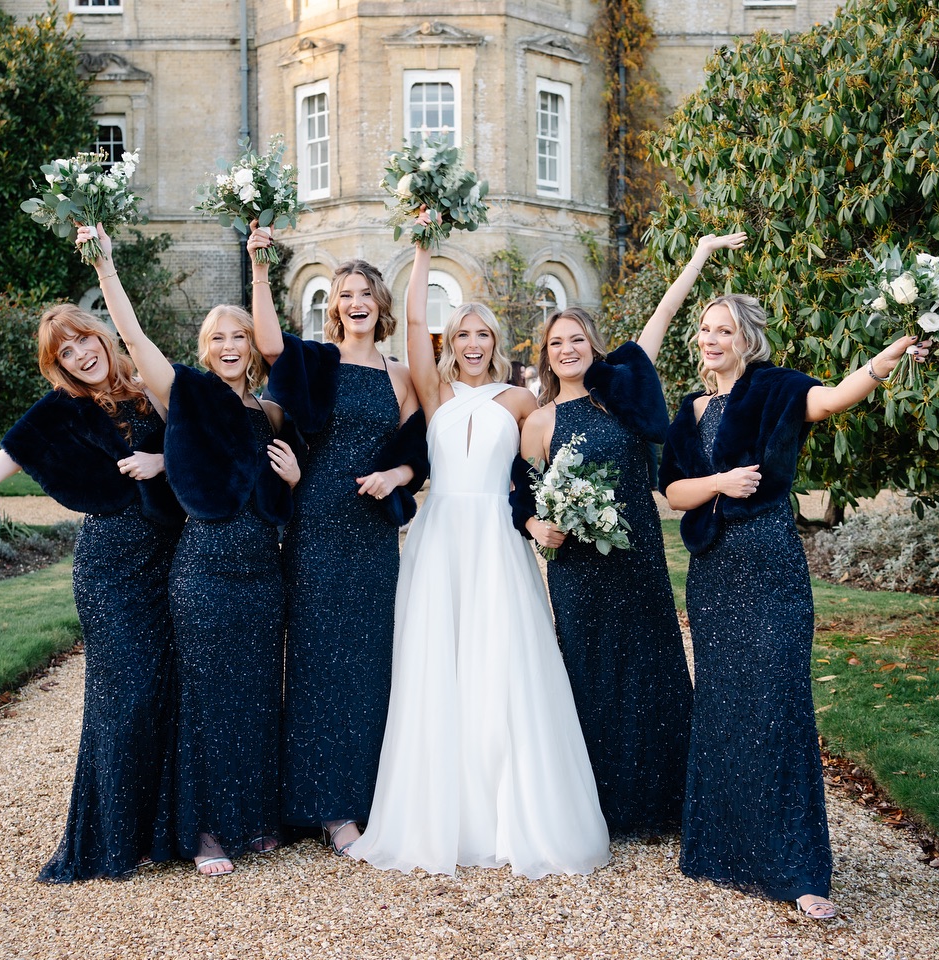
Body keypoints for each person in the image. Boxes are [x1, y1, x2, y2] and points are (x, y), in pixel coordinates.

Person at [0, 301, 185, 883]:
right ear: (58, 366)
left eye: (82, 342)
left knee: (166, 689)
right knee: (126, 696)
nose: (80, 356)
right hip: (111, 569)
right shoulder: (58, 413)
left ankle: (160, 831)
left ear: (101, 336)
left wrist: (162, 459)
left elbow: (209, 446)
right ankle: (111, 838)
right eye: (64, 353)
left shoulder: (150, 386)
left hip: (168, 559)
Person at [348, 214, 610, 877]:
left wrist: (562, 514)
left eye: (481, 333)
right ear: (451, 341)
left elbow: (538, 473)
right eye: (461, 332)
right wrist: (420, 252)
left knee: (502, 663)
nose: (470, 342)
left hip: (495, 537)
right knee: (436, 662)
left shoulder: (522, 399)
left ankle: (509, 812)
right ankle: (440, 814)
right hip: (440, 538)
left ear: (496, 341)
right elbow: (410, 329)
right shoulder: (433, 393)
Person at [660, 293, 930, 919]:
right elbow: (674, 491)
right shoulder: (691, 408)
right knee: (726, 706)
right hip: (714, 575)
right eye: (704, 330)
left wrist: (887, 357)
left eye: (723, 330)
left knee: (779, 704)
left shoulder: (776, 389)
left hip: (770, 565)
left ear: (746, 338)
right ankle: (723, 852)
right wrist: (720, 484)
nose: (710, 339)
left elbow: (833, 397)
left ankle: (800, 870)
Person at [78, 223, 300, 876]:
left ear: (252, 350)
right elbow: (136, 338)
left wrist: (291, 480)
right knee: (203, 700)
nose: (230, 345)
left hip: (263, 572)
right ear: (205, 350)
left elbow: (281, 497)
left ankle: (253, 819)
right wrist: (105, 267)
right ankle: (204, 832)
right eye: (218, 337)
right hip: (203, 572)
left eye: (240, 336)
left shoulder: (272, 414)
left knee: (258, 696)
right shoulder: (187, 401)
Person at [516, 233, 746, 836]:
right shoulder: (539, 423)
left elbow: (662, 319)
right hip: (579, 573)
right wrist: (541, 524)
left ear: (593, 347)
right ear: (545, 355)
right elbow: (521, 494)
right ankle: (601, 807)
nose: (567, 349)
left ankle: (668, 803)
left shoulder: (622, 394)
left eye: (577, 340)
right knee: (590, 677)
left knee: (654, 670)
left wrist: (698, 255)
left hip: (638, 558)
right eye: (555, 343)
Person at [247, 226, 428, 856]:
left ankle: (367, 794)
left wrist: (396, 475)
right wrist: (261, 267)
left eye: (364, 293)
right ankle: (326, 809)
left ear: (379, 304)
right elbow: (268, 344)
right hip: (317, 524)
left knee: (371, 664)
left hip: (373, 533)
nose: (355, 302)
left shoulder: (401, 373)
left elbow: (416, 453)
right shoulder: (315, 362)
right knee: (320, 664)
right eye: (344, 293)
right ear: (335, 307)